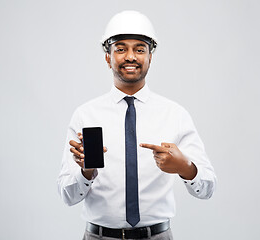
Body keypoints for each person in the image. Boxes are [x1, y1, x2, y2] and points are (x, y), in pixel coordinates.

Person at [57, 10, 216, 240]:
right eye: (120, 49)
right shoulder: (85, 115)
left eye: (139, 49)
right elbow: (67, 196)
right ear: (107, 57)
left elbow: (208, 188)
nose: (130, 56)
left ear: (151, 56)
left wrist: (185, 167)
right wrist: (86, 171)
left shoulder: (175, 114)